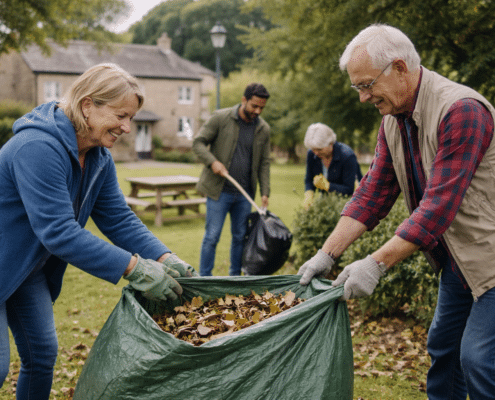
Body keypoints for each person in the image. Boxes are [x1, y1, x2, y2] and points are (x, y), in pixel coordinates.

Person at [297, 23, 495, 400]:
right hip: (460, 262)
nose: (362, 97)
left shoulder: (462, 111)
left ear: (400, 68)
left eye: (367, 84)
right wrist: (327, 253)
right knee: (445, 351)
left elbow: (437, 207)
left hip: (490, 257)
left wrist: (376, 263)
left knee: (480, 359)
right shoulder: (393, 120)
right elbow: (373, 192)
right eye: (358, 86)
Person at [0, 63, 197, 399]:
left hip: (25, 270)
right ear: (88, 106)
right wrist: (135, 268)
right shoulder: (36, 147)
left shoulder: (97, 157)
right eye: (121, 115)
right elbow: (59, 232)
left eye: (131, 118)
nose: (127, 127)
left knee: (41, 355)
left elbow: (119, 218)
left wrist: (165, 257)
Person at [193, 83, 271, 276]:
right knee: (211, 237)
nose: (258, 111)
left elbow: (264, 163)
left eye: (262, 107)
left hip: (244, 195)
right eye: (254, 106)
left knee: (240, 237)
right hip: (219, 192)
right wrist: (213, 162)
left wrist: (265, 192)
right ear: (244, 100)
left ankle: (235, 278)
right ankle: (205, 279)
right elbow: (198, 143)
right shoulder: (221, 118)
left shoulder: (263, 129)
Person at [303, 122, 363, 209]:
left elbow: (349, 190)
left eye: (319, 149)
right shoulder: (311, 155)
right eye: (313, 149)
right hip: (326, 204)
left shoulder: (347, 156)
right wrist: (309, 194)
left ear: (330, 143)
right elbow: (309, 180)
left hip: (348, 204)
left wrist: (327, 186)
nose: (316, 153)